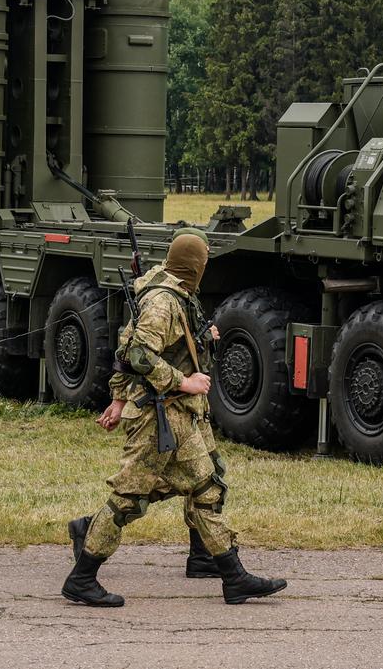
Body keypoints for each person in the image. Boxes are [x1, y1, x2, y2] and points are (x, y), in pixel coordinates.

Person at [61, 233, 284, 607]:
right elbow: (135, 354)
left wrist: (201, 339)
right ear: (194, 264)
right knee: (127, 499)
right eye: (204, 261)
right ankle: (81, 577)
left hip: (176, 412)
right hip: (159, 413)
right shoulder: (163, 302)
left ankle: (231, 575)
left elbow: (145, 344)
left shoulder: (174, 291)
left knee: (206, 487)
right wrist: (184, 381)